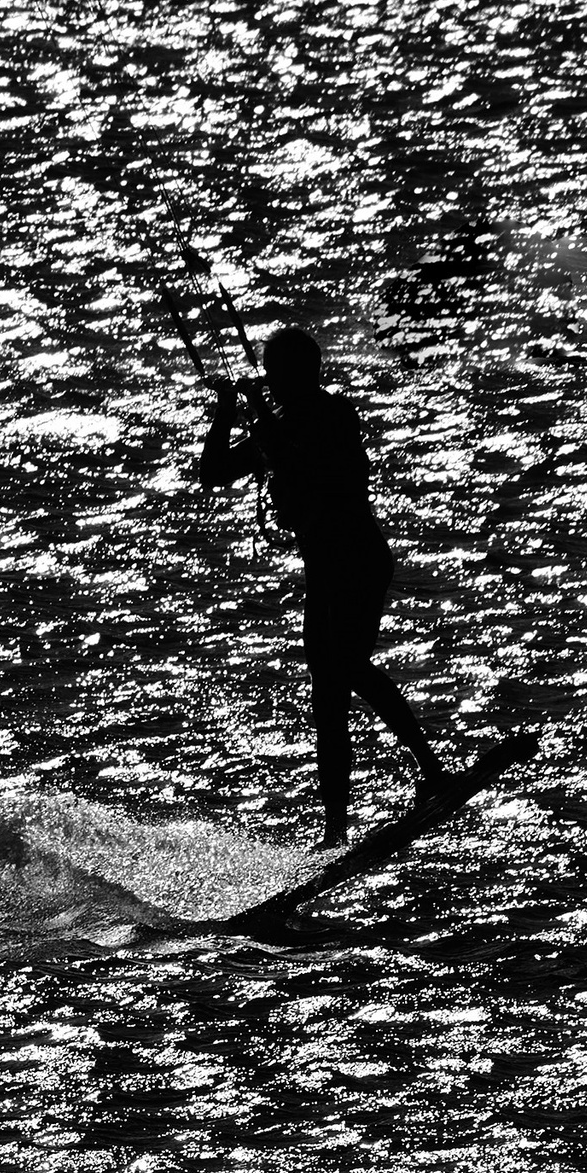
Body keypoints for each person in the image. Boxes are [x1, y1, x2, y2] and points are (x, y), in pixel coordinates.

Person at [194, 325, 451, 845]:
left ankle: (431, 773)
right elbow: (214, 472)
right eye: (267, 373)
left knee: (348, 667)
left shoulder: (333, 415)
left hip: (356, 559)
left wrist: (264, 422)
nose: (268, 381)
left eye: (276, 373)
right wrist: (226, 408)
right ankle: (337, 825)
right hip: (324, 567)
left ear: (302, 373)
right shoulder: (278, 423)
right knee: (327, 690)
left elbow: (312, 464)